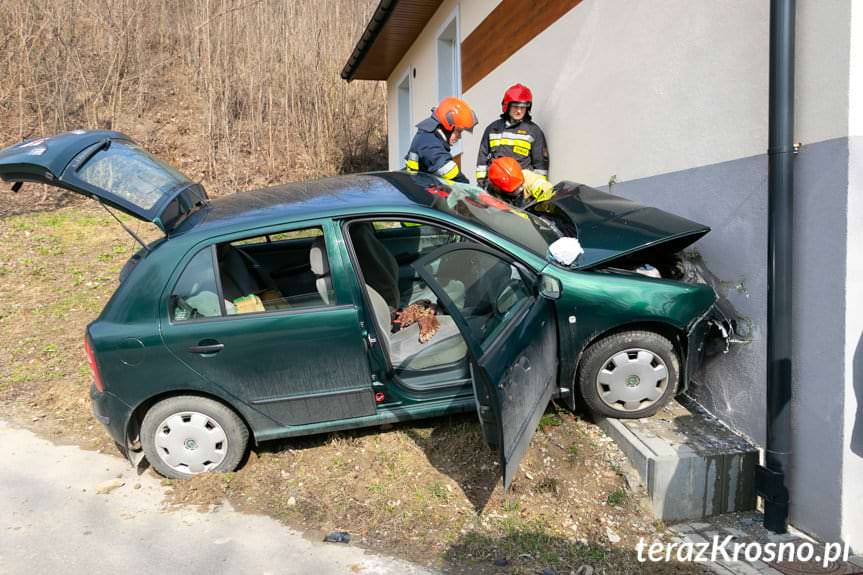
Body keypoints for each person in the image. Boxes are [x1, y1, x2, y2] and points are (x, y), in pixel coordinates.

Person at [475, 83, 549, 185]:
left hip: (521, 188)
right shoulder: (492, 129)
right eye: (515, 106)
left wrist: (538, 188)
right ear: (507, 106)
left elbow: (540, 166)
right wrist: (481, 183)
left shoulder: (533, 131)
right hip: (494, 185)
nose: (519, 111)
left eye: (523, 107)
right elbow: (481, 161)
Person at [405, 97, 478, 183]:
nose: (459, 137)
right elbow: (453, 175)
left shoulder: (428, 136)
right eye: (458, 131)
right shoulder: (428, 142)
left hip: (422, 190)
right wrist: (470, 191)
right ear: (448, 126)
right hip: (420, 192)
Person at [485, 156, 555, 208]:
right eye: (514, 191)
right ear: (497, 188)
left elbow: (545, 189)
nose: (518, 190)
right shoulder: (491, 193)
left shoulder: (530, 179)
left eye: (519, 187)